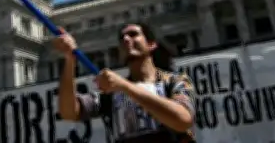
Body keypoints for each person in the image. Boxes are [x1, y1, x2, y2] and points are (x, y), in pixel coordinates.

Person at [54, 22, 197, 143]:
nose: (126, 39)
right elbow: (69, 112)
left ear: (151, 44)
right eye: (122, 38)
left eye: (134, 34)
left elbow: (183, 119)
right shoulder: (111, 94)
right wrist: (69, 59)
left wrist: (125, 86)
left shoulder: (175, 81)